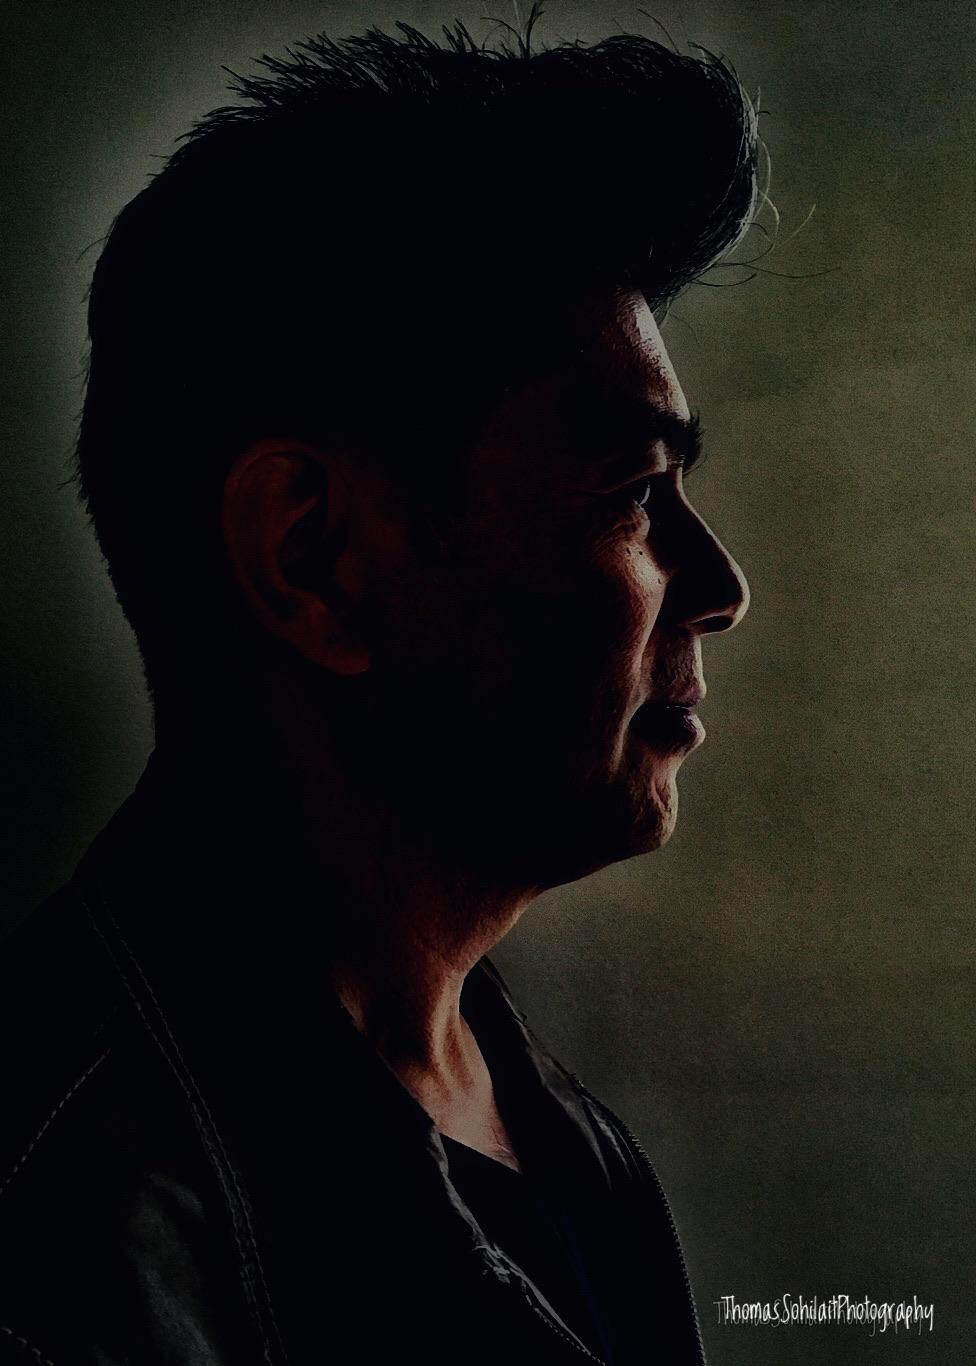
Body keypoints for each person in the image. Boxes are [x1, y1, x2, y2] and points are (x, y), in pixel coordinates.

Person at [0, 14, 757, 1365]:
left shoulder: (574, 1153)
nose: (721, 586)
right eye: (634, 493)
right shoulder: (57, 1232)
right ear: (318, 559)